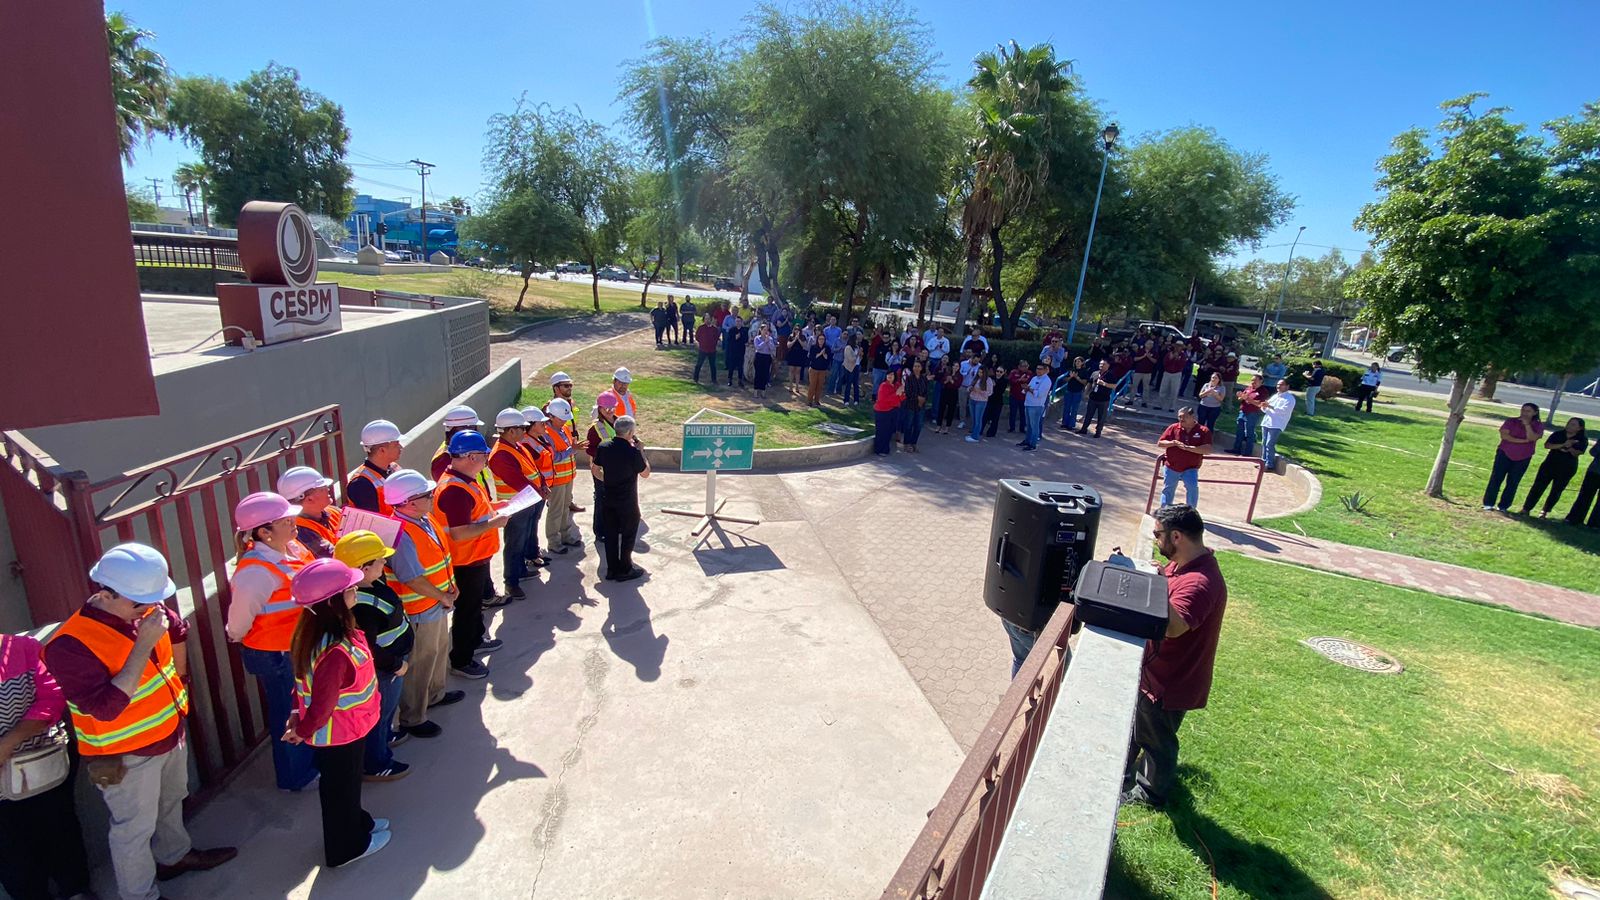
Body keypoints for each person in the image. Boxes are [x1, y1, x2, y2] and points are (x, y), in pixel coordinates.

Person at [47, 544, 237, 900]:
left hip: (168, 733)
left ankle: (173, 858)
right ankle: (139, 895)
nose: (149, 609)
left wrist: (180, 682)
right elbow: (105, 708)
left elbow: (177, 630)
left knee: (171, 802)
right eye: (139, 603)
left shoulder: (143, 607)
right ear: (104, 594)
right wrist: (142, 646)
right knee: (132, 830)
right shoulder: (68, 646)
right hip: (126, 755)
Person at [1121, 505, 1228, 810]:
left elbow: (1175, 626)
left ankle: (1150, 795)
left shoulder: (1200, 582)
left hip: (1170, 682)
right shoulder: (1184, 563)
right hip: (1156, 673)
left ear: (1177, 536)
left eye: (1158, 534)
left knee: (1158, 741)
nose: (1156, 540)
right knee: (1139, 728)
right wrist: (1157, 575)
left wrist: (1154, 586)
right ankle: (1122, 770)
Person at [284, 559, 389, 868]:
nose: (355, 591)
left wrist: (295, 714)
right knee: (340, 791)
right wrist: (301, 729)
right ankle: (347, 847)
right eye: (350, 589)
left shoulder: (319, 635)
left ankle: (359, 823)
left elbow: (302, 684)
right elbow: (322, 704)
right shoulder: (334, 653)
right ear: (334, 602)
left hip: (348, 731)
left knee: (346, 786)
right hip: (340, 735)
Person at [226, 491, 318, 792]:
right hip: (276, 656)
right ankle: (296, 775)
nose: (293, 523)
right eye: (285, 521)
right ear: (264, 532)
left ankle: (306, 764)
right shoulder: (254, 572)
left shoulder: (290, 547)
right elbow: (238, 624)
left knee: (300, 706)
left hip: (294, 649)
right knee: (288, 713)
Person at [0, 631, 91, 900]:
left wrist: (8, 743)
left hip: (42, 768)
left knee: (60, 831)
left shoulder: (23, 649)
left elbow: (52, 698)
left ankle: (76, 890)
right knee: (11, 853)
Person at [381, 470, 463, 740]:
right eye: (426, 495)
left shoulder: (423, 520)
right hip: (421, 608)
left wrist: (450, 586)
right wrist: (442, 595)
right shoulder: (402, 534)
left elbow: (438, 557)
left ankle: (435, 694)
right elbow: (412, 579)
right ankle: (413, 717)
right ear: (408, 503)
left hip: (437, 602)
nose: (432, 498)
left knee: (439, 651)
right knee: (421, 662)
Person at [333, 531, 412, 783]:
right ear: (364, 568)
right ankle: (377, 763)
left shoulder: (372, 584)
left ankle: (385, 737)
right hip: (386, 669)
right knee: (379, 713)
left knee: (386, 713)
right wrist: (396, 664)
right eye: (379, 560)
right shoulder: (361, 605)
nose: (384, 563)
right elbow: (368, 646)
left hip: (391, 665)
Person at [434, 430, 510, 681]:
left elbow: (475, 513)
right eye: (483, 455)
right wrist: (493, 524)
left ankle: (476, 640)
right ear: (469, 456)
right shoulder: (455, 490)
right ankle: (462, 660)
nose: (486, 459)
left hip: (475, 556)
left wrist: (495, 510)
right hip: (465, 560)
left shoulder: (465, 480)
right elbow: (458, 533)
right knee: (466, 611)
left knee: (474, 607)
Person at [488, 408, 542, 601]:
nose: (524, 431)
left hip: (528, 502)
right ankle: (511, 582)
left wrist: (541, 486)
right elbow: (518, 481)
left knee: (523, 539)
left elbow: (532, 469)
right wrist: (539, 491)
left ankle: (520, 570)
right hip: (516, 506)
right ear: (511, 431)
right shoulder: (500, 455)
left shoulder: (517, 446)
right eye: (521, 428)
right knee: (514, 544)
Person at [592, 415, 650, 582]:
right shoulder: (632, 452)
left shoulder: (604, 446)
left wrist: (608, 480)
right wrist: (641, 451)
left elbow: (595, 470)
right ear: (631, 432)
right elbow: (646, 473)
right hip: (627, 502)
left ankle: (611, 570)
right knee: (628, 534)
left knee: (610, 534)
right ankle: (625, 569)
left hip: (608, 497)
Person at [1483, 403, 1546, 512]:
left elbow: (1533, 437)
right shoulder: (1511, 421)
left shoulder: (1538, 425)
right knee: (1496, 478)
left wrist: (1527, 425)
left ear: (1535, 413)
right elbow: (1505, 436)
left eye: (1528, 411)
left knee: (1513, 482)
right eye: (1523, 410)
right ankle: (1488, 503)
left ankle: (1504, 506)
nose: (1525, 413)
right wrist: (1523, 441)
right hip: (1504, 453)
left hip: (1523, 457)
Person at [1521, 418, 1588, 517]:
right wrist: (1562, 445)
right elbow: (1547, 445)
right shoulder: (1558, 434)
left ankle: (1545, 511)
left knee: (1556, 490)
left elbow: (1578, 452)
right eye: (1569, 423)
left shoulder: (1582, 439)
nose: (1569, 426)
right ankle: (1526, 508)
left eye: (1573, 425)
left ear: (1580, 428)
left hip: (1567, 468)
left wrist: (1570, 448)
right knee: (1538, 486)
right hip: (1550, 464)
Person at [542, 399, 584, 553]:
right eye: (561, 418)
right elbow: (553, 456)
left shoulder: (565, 429)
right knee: (556, 510)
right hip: (557, 479)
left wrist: (572, 448)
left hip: (567, 476)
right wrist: (571, 450)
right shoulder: (546, 434)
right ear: (551, 416)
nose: (564, 421)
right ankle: (553, 541)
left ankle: (565, 535)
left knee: (566, 507)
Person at [280, 466, 342, 559]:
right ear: (309, 499)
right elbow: (334, 558)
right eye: (322, 488)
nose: (328, 489)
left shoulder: (332, 510)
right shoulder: (301, 531)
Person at [1156, 408, 1212, 507]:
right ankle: (1164, 511)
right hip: (1172, 466)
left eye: (1184, 417)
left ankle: (1191, 512)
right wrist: (1172, 443)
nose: (1181, 419)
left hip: (1191, 468)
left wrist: (1188, 448)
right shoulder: (1173, 428)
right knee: (1168, 489)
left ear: (1193, 417)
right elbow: (1160, 443)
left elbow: (1207, 450)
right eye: (1179, 416)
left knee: (1192, 488)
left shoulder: (1203, 430)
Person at [347, 419, 404, 516]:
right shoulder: (361, 484)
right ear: (382, 450)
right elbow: (372, 523)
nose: (401, 447)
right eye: (396, 444)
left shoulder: (394, 467)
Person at [1260, 379, 1296, 471]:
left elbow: (1284, 410)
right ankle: (1263, 462)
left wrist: (1269, 406)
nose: (1278, 386)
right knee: (1264, 443)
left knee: (1269, 444)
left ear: (1287, 386)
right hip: (1267, 422)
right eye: (1277, 385)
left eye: (1281, 385)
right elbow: (1266, 408)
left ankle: (1269, 464)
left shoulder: (1290, 398)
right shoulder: (1275, 396)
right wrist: (1264, 407)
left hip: (1277, 424)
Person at [1564, 439, 1600, 527]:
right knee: (1585, 495)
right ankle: (1577, 519)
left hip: (1594, 471)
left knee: (1585, 496)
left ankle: (1591, 523)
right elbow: (1593, 452)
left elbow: (1593, 452)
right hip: (1594, 471)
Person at [1230, 375, 1268, 457]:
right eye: (1252, 380)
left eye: (1255, 381)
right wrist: (1240, 396)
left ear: (1261, 381)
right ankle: (1236, 449)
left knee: (1249, 433)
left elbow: (1259, 404)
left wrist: (1247, 398)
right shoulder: (1249, 388)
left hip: (1252, 413)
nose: (1253, 382)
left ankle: (1247, 452)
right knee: (1239, 431)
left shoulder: (1263, 391)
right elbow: (1241, 398)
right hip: (1242, 411)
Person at [874, 367, 907, 455]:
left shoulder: (897, 385)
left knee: (889, 431)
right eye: (888, 374)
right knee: (882, 431)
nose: (890, 376)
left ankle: (885, 449)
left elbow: (902, 398)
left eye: (892, 374)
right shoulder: (883, 385)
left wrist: (902, 392)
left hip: (893, 410)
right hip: (882, 411)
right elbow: (883, 399)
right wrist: (896, 393)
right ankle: (879, 449)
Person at [1079, 361, 1115, 438]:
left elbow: (1114, 386)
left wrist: (1104, 384)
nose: (1101, 365)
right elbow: (1089, 383)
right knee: (1088, 414)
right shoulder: (1095, 373)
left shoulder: (1111, 375)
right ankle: (1084, 429)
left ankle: (1098, 432)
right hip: (1093, 398)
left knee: (1101, 416)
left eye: (1103, 364)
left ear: (1108, 365)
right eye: (1100, 364)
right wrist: (1086, 393)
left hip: (1104, 399)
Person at [1021, 362, 1052, 451]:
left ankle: (1033, 444)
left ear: (1045, 370)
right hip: (1028, 403)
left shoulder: (1047, 381)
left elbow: (1039, 394)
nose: (1038, 370)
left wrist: (1029, 389)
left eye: (1040, 369)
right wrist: (1026, 388)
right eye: (1037, 368)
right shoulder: (1034, 378)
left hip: (1036, 406)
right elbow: (1028, 388)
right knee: (1029, 425)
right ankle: (1027, 441)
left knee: (1034, 425)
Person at [1057, 357, 1088, 432]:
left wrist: (1077, 377)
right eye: (1076, 361)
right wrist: (1071, 377)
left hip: (1078, 391)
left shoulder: (1084, 371)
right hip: (1069, 390)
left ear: (1082, 363)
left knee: (1074, 409)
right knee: (1066, 407)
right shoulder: (1071, 370)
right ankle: (1064, 423)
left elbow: (1085, 382)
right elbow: (1065, 380)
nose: (1077, 362)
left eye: (1079, 361)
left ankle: (1071, 424)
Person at [965, 365, 994, 444]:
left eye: (981, 372)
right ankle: (973, 434)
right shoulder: (976, 378)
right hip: (972, 399)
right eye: (979, 372)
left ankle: (975, 437)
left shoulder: (988, 381)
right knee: (974, 419)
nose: (980, 374)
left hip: (981, 401)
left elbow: (990, 393)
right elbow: (970, 386)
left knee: (978, 419)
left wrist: (979, 391)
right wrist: (969, 389)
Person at [1159, 343, 1188, 411]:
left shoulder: (1183, 355)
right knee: (1163, 389)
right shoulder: (1169, 354)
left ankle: (1172, 407)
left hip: (1176, 374)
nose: (1178, 348)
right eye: (1177, 346)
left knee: (1174, 391)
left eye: (1180, 346)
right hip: (1167, 373)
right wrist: (1171, 358)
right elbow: (1164, 363)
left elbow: (1182, 365)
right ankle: (1160, 405)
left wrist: (1177, 359)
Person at [752, 323, 776, 400]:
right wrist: (764, 342)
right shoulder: (757, 338)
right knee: (758, 374)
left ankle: (763, 392)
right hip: (759, 357)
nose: (766, 331)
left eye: (767, 330)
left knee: (765, 374)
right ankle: (756, 391)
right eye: (764, 330)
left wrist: (768, 341)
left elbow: (772, 348)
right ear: (761, 330)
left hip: (767, 357)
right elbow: (758, 347)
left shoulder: (770, 339)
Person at [1006, 360, 1031, 434]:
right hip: (1014, 396)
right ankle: (1012, 427)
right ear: (1019, 366)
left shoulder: (1029, 373)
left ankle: (1022, 428)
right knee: (1013, 412)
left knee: (1023, 413)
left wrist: (1026, 383)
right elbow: (1011, 381)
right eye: (1023, 366)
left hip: (1024, 397)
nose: (1025, 368)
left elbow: (1031, 382)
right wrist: (1019, 380)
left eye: (1026, 366)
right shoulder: (1014, 372)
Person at [693, 316, 720, 385]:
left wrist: (713, 343)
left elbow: (717, 338)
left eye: (709, 319)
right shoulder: (701, 328)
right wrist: (702, 343)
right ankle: (695, 378)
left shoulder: (714, 329)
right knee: (699, 364)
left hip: (712, 350)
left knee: (713, 365)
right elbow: (697, 337)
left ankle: (714, 380)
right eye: (706, 319)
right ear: (704, 320)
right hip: (703, 349)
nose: (707, 320)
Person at [983, 363, 1007, 438]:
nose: (998, 373)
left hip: (998, 402)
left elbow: (1000, 391)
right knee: (985, 416)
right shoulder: (991, 378)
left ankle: (991, 433)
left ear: (1004, 372)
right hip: (989, 400)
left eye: (1001, 372)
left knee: (995, 418)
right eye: (997, 371)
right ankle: (979, 430)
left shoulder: (1004, 381)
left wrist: (995, 385)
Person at [806, 333, 831, 407]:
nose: (821, 340)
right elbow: (812, 357)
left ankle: (817, 400)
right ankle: (809, 401)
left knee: (819, 386)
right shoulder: (814, 347)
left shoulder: (827, 348)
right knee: (812, 385)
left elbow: (828, 359)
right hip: (814, 369)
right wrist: (820, 353)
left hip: (822, 370)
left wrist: (824, 355)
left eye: (823, 339)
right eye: (820, 339)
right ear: (817, 340)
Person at [1131, 340, 1157, 407]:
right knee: (1134, 386)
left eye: (1152, 344)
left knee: (1146, 387)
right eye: (1149, 343)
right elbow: (1135, 359)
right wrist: (1143, 356)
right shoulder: (1140, 350)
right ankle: (1131, 400)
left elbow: (1155, 361)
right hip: (1138, 371)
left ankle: (1144, 402)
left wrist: (1149, 357)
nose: (1150, 345)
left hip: (1148, 372)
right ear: (1145, 344)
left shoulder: (1154, 352)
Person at [784, 327, 808, 395]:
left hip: (799, 355)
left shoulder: (803, 337)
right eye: (795, 330)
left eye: (798, 330)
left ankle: (797, 386)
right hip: (792, 354)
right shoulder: (791, 336)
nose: (796, 331)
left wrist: (799, 339)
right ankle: (791, 386)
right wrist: (795, 339)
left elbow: (804, 345)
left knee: (798, 371)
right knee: (791, 370)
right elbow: (788, 345)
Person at [840, 335, 862, 406]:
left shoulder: (857, 347)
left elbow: (859, 358)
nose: (857, 341)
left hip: (857, 366)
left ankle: (856, 400)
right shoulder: (848, 348)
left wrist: (860, 355)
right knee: (848, 384)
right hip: (849, 367)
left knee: (856, 384)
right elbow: (850, 359)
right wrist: (857, 354)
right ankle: (846, 400)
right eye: (856, 340)